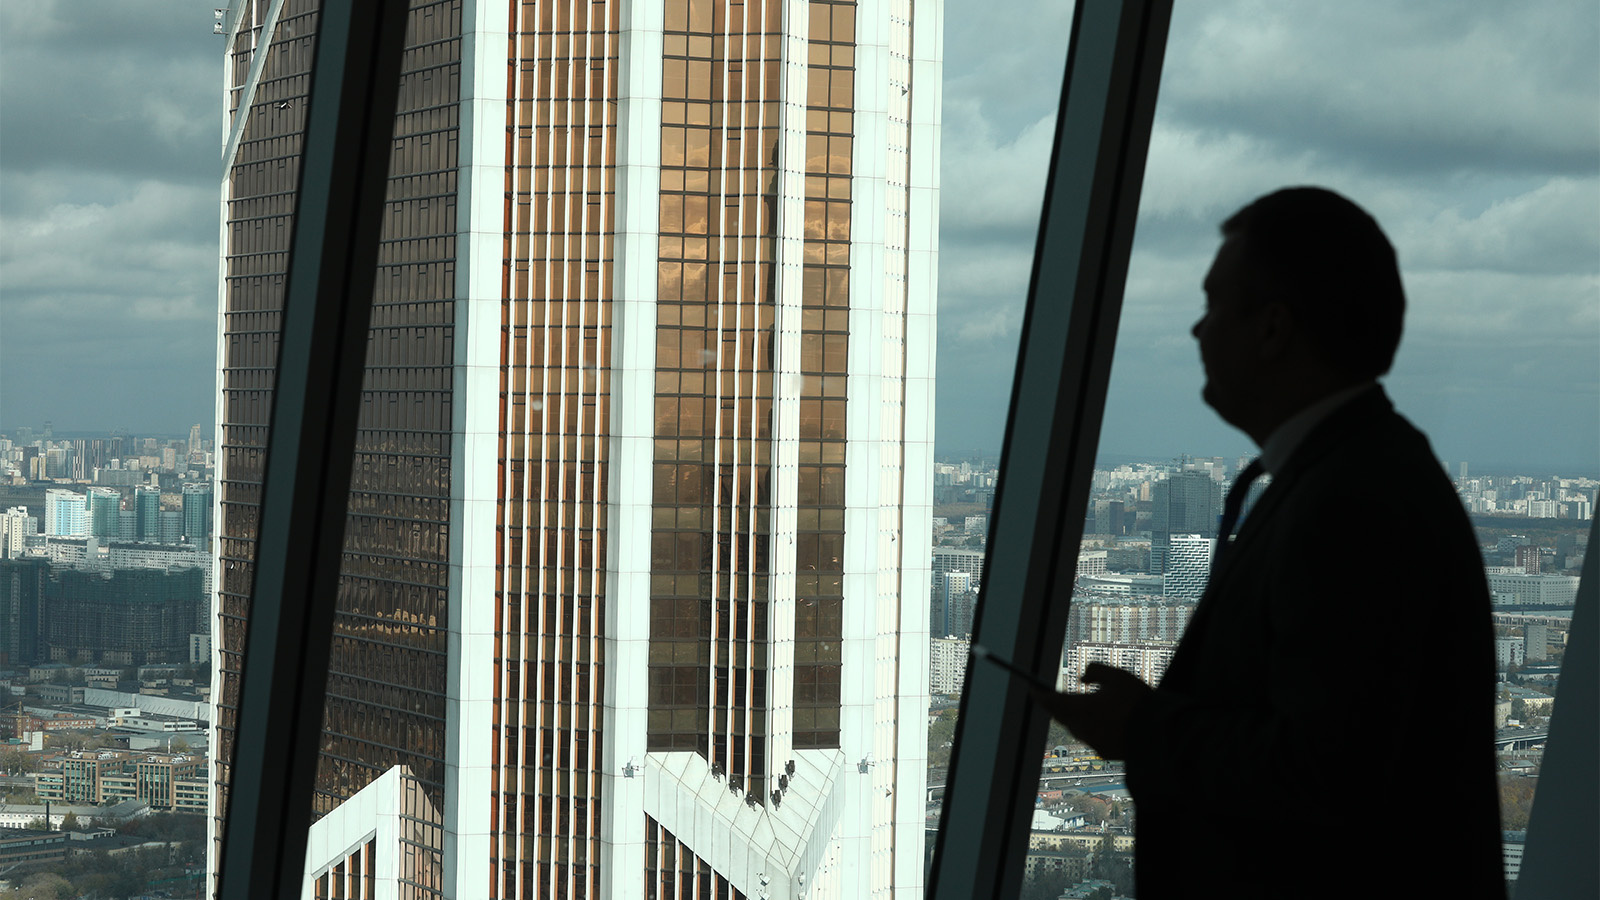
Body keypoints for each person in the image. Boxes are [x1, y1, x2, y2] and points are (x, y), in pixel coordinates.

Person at [1035, 187, 1506, 898]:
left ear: (1273, 328)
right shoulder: (1356, 473)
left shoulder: (1351, 502)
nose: (1197, 330)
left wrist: (1147, 730)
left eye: (1215, 304)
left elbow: (1326, 771)